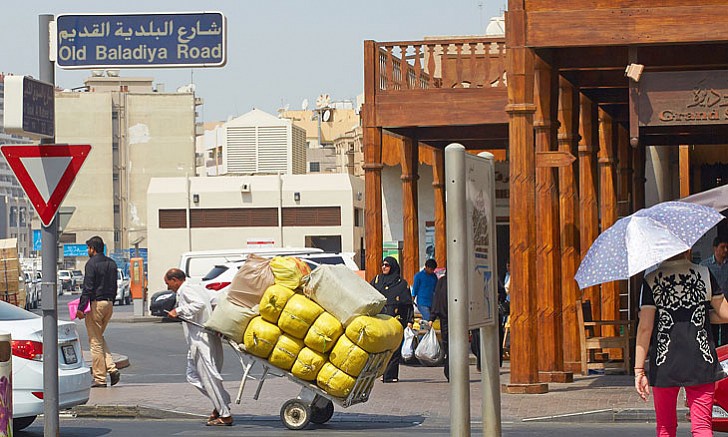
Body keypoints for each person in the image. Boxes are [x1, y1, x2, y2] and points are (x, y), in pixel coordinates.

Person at [634, 251, 728, 437]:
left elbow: (645, 328)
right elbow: (725, 313)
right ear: (688, 249)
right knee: (702, 427)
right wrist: (701, 317)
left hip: (665, 363)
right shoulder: (705, 274)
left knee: (665, 428)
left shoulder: (652, 280)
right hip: (701, 359)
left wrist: (639, 370)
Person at [165, 268, 233, 426]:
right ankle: (221, 403)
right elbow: (213, 300)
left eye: (168, 283)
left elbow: (200, 304)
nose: (168, 287)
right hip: (200, 338)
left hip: (201, 339)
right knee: (193, 376)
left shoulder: (186, 289)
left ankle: (225, 414)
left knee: (209, 377)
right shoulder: (196, 287)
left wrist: (178, 310)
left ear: (175, 280)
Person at [76, 236, 120, 388]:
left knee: (94, 342)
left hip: (96, 304)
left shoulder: (91, 264)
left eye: (88, 248)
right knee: (99, 337)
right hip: (109, 303)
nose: (88, 251)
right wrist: (112, 301)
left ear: (93, 249)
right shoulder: (112, 263)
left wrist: (81, 309)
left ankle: (100, 379)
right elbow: (115, 286)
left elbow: (87, 288)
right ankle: (112, 369)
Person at [371, 257, 413, 383]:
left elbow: (407, 304)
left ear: (393, 267)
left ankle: (390, 375)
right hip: (379, 320)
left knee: (394, 349)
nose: (384, 267)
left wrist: (409, 320)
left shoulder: (401, 283)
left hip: (396, 320)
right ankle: (378, 373)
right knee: (380, 349)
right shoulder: (377, 280)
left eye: (387, 265)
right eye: (383, 265)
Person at [701, 236, 728, 346]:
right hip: (711, 307)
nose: (725, 250)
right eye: (722, 247)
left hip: (726, 306)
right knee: (712, 338)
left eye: (727, 247)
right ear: (715, 248)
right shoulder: (704, 266)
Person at [429, 272, 449, 380]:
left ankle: (451, 371)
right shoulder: (442, 281)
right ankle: (450, 370)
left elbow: (437, 299)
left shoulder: (442, 281)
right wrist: (432, 317)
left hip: (453, 319)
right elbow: (437, 299)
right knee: (448, 346)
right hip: (446, 318)